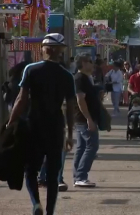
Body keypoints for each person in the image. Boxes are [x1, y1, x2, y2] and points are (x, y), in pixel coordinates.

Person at [6, 33, 75, 215]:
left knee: (31, 169)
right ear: (60, 51)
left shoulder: (31, 69)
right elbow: (70, 107)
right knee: (52, 174)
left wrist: (11, 122)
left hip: (33, 125)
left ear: (44, 49)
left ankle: (36, 203)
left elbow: (21, 100)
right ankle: (50, 211)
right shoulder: (67, 76)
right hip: (55, 128)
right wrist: (69, 134)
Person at [73, 53, 101, 188]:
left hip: (84, 119)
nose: (93, 64)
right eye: (90, 61)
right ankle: (81, 176)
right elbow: (80, 99)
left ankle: (78, 176)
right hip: (84, 119)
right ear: (83, 63)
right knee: (92, 146)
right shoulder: (79, 78)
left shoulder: (86, 78)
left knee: (82, 147)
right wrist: (88, 118)